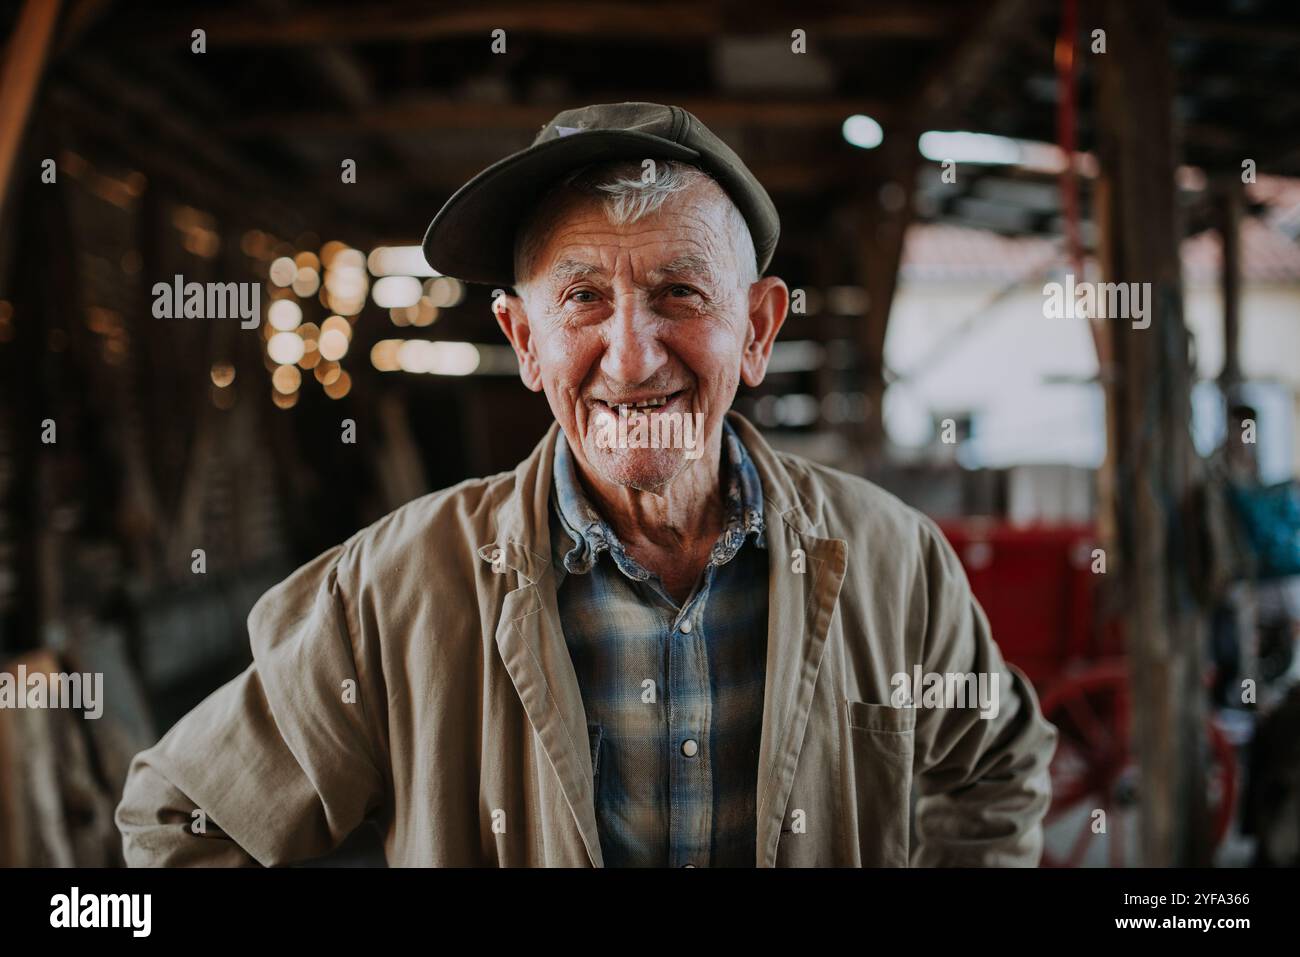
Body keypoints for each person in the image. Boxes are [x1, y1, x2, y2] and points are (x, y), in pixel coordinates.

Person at [116, 102, 1056, 867]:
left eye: (681, 293)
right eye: (582, 300)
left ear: (759, 330)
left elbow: (997, 765)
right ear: (525, 340)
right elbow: (182, 818)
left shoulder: (895, 561)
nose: (633, 356)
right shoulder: (396, 588)